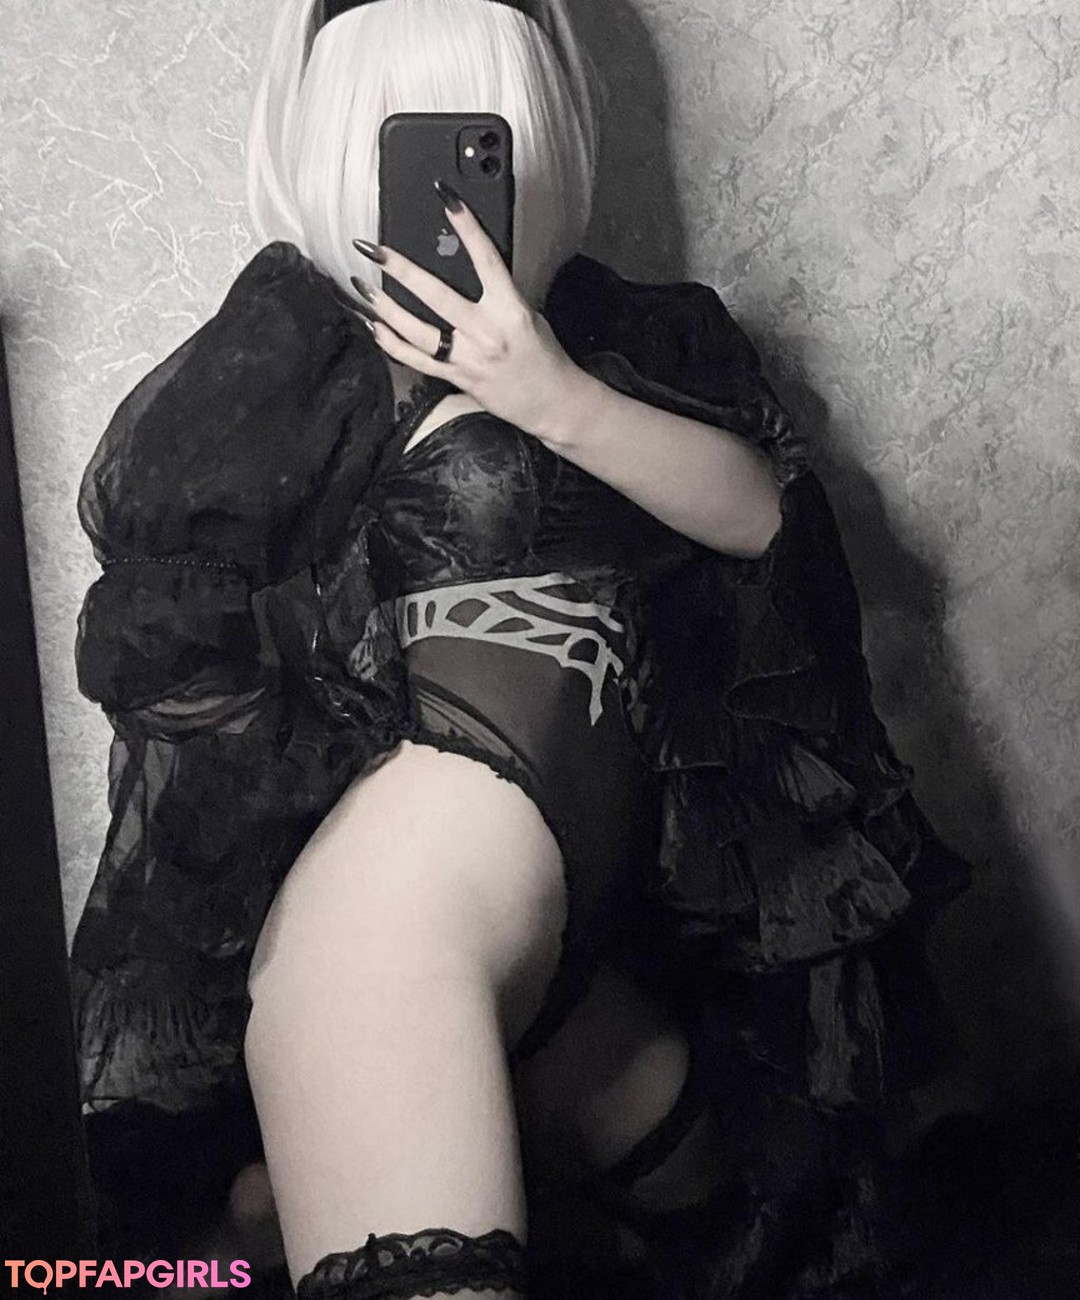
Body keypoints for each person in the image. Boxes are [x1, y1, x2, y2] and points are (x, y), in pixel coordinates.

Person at [69, 1, 973, 1297]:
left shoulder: (624, 336)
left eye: (484, 120)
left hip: (583, 956)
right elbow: (189, 711)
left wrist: (544, 389)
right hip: (390, 937)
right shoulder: (284, 368)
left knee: (744, 1230)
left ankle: (272, 1219)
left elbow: (767, 525)